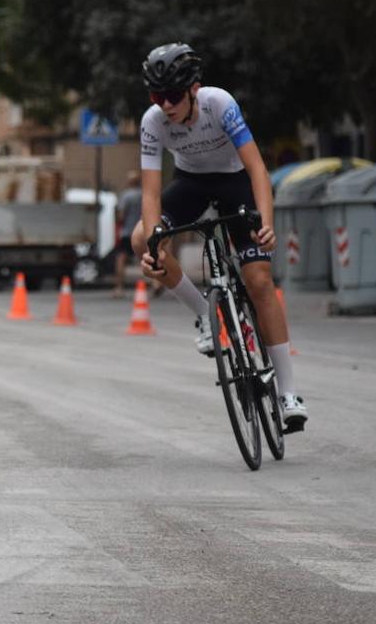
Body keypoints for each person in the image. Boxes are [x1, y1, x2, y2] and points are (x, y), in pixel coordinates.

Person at [130, 43, 308, 432]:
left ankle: (288, 393)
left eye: (173, 95)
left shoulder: (220, 104)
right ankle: (204, 317)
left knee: (259, 280)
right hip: (190, 183)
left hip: (235, 183)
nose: (166, 105)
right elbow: (149, 193)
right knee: (141, 239)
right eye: (157, 96)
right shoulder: (152, 121)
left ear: (194, 89)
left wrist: (266, 222)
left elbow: (258, 168)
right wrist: (155, 244)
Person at [112, 170, 143, 297]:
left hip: (127, 232)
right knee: (146, 257)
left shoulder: (126, 196)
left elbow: (121, 215)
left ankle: (119, 287)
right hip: (142, 231)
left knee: (121, 259)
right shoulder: (144, 195)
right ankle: (155, 283)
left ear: (129, 182)